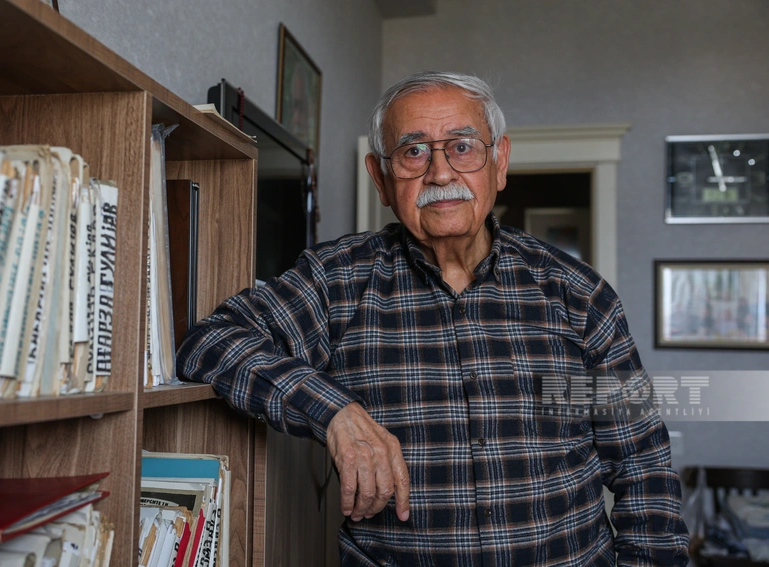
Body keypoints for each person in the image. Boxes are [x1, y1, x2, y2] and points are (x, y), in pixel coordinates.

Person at [178, 70, 690, 566]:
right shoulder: (336, 281)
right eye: (413, 151)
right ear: (381, 178)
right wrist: (334, 412)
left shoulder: (579, 294)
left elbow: (643, 465)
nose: (441, 174)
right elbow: (210, 342)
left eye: (462, 147)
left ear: (500, 162)